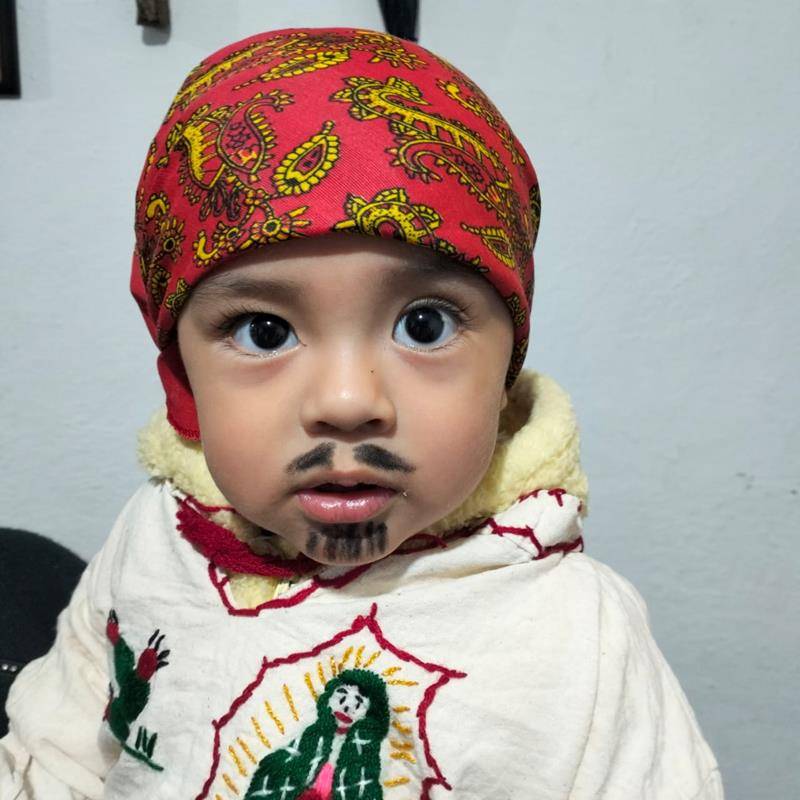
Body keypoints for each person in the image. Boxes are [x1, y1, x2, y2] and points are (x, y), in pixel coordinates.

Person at [0, 26, 724, 799]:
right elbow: (58, 753)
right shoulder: (153, 544)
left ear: (505, 364)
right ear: (181, 374)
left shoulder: (578, 638)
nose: (347, 403)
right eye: (264, 332)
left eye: (425, 325)